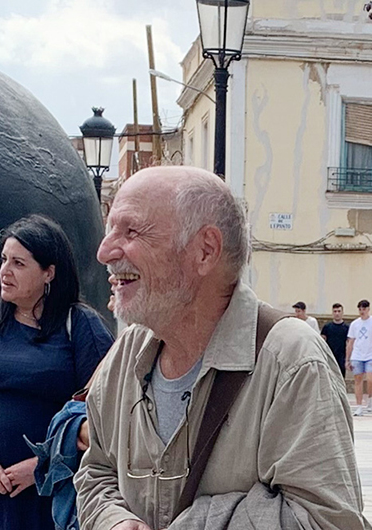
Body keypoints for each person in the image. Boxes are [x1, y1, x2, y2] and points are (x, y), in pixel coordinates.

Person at [74, 166, 369, 530]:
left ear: (205, 251)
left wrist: (193, 523)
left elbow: (327, 520)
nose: (104, 252)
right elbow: (96, 472)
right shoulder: (127, 352)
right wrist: (114, 522)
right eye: (109, 231)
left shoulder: (292, 360)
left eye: (131, 231)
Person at [0, 215, 113, 530]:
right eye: (4, 260)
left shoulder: (80, 327)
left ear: (49, 272)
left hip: (49, 490)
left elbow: (101, 414)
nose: (5, 272)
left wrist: (42, 466)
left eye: (19, 264)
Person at [348, 299, 372, 416]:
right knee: (358, 380)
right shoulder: (354, 324)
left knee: (370, 378)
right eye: (360, 309)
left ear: (368, 309)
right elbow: (351, 341)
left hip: (370, 355)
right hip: (357, 355)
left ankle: (370, 400)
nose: (362, 311)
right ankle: (359, 406)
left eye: (364, 309)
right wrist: (348, 359)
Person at [321, 303, 349, 377]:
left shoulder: (347, 328)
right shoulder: (327, 327)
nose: (337, 313)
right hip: (329, 356)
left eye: (339, 311)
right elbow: (322, 341)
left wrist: (348, 358)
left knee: (341, 378)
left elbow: (349, 343)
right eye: (335, 311)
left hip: (342, 357)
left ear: (342, 312)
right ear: (332, 313)